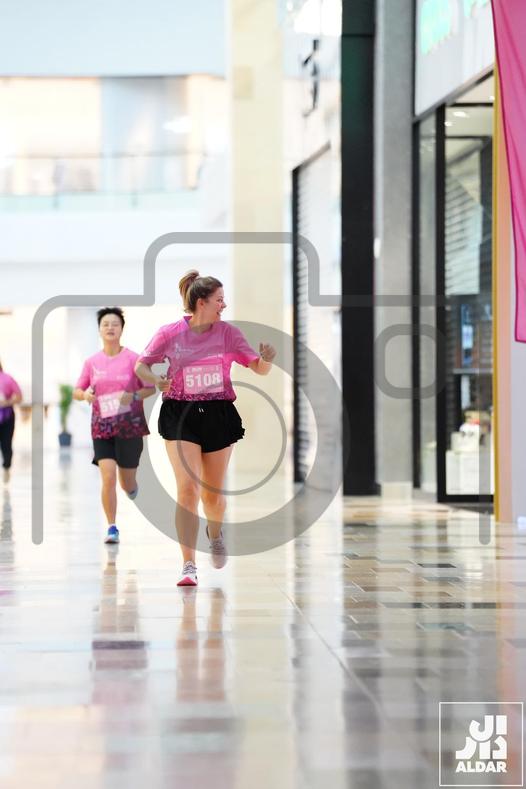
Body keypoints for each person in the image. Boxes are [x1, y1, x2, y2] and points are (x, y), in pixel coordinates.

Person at [135, 271, 276, 587]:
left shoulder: (229, 334)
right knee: (188, 489)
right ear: (202, 302)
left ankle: (215, 533)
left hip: (217, 414)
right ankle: (188, 564)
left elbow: (258, 368)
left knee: (213, 496)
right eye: (219, 300)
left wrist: (266, 360)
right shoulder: (169, 333)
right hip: (179, 413)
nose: (224, 305)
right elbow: (140, 365)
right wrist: (156, 380)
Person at [73, 307, 155, 544]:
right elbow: (77, 390)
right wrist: (85, 395)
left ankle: (131, 487)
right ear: (99, 330)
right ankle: (111, 527)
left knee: (125, 483)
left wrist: (134, 396)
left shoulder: (134, 359)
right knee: (107, 477)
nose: (110, 327)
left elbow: (150, 388)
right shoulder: (92, 362)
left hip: (130, 427)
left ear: (121, 329)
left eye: (115, 324)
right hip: (102, 428)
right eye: (105, 324)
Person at [0, 361, 22, 484]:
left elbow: (19, 396)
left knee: (6, 444)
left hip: (7, 417)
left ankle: (6, 467)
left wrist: (6, 402)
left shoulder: (7, 379)